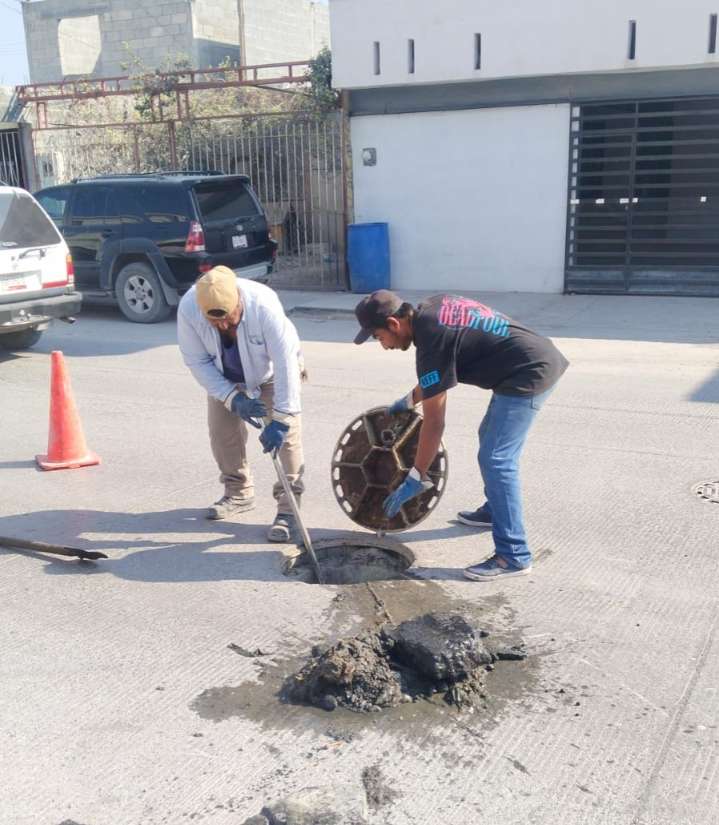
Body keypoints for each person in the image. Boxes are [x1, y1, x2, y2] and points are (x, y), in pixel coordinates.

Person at [353, 290, 568, 581]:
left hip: (529, 371)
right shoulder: (432, 309)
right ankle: (496, 510)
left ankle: (513, 556)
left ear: (393, 324)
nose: (384, 346)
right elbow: (435, 379)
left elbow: (435, 422)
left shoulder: (430, 340)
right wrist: (410, 399)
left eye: (379, 338)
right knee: (488, 437)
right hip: (527, 361)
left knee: (497, 459)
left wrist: (416, 476)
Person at [177, 265, 305, 542]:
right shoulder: (189, 309)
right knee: (222, 435)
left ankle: (288, 510)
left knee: (287, 439)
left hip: (270, 374)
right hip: (225, 378)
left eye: (229, 320)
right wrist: (232, 398)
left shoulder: (264, 305)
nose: (223, 326)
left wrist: (281, 419)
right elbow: (197, 361)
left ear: (239, 302)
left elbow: (286, 365)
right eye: (215, 323)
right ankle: (238, 493)